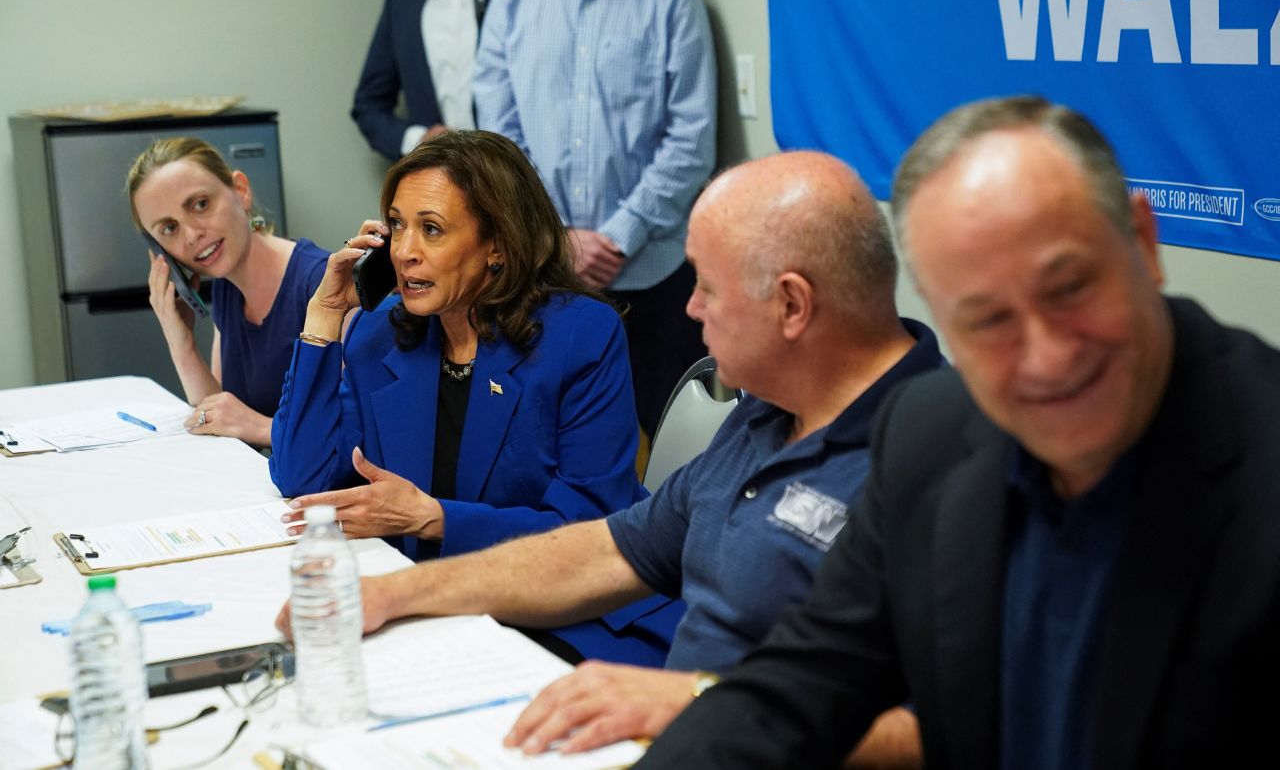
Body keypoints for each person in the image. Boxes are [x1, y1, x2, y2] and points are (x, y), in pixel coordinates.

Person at [638, 96, 1280, 769]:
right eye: (987, 321)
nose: (1047, 357)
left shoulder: (1257, 457)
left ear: (1142, 243)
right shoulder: (928, 434)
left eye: (1070, 288)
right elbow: (805, 681)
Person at [277, 151, 942, 766]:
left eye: (708, 287)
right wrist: (390, 593)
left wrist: (697, 700)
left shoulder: (940, 455)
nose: (689, 308)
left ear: (792, 304)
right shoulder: (767, 412)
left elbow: (966, 724)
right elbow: (609, 550)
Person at [270, 129, 676, 665]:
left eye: (431, 230)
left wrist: (433, 517)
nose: (404, 252)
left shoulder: (580, 336)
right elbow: (303, 476)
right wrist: (322, 318)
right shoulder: (380, 335)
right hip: (438, 606)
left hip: (571, 618)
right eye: (396, 226)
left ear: (498, 247)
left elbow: (589, 530)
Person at [473, 0, 716, 439]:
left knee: (680, 453)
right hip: (542, 281)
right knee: (549, 451)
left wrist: (617, 238)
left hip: (654, 279)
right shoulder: (511, 3)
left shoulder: (672, 1)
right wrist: (554, 237)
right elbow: (499, 144)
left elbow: (691, 142)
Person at [127, 137, 329, 448]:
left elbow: (361, 438)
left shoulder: (322, 285)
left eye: (201, 204)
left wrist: (261, 427)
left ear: (241, 191)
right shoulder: (227, 290)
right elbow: (219, 416)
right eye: (169, 228)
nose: (193, 235)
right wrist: (182, 344)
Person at [351, 0, 518, 160]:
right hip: (432, 181)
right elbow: (369, 106)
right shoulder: (403, 0)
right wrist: (418, 140)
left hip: (513, 179)